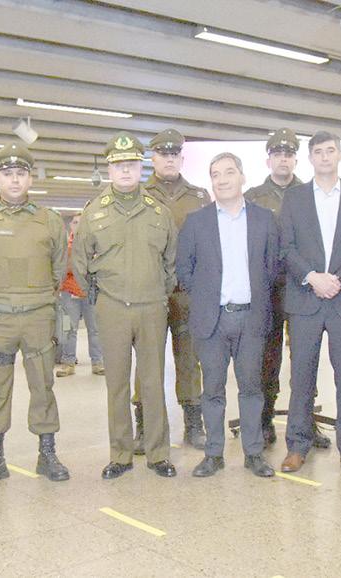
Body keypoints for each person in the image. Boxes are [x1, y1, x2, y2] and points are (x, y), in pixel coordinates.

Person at [0, 143, 70, 488]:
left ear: (30, 178)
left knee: (43, 386)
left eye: (21, 173)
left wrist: (37, 295)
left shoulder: (49, 220)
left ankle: (47, 454)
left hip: (39, 317)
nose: (15, 180)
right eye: (8, 174)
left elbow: (58, 268)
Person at [74, 131, 178, 480]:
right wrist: (102, 298)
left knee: (152, 383)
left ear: (140, 167)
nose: (125, 171)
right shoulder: (93, 213)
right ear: (109, 169)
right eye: (118, 165)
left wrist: (157, 292)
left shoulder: (159, 212)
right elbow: (80, 263)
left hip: (151, 308)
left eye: (131, 164)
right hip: (113, 308)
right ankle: (120, 454)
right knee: (116, 385)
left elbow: (171, 263)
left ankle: (158, 453)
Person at [278, 130, 341, 475]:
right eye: (318, 151)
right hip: (305, 298)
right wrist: (312, 277)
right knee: (301, 376)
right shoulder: (294, 198)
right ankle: (297, 446)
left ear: (340, 155)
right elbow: (286, 246)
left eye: (330, 151)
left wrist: (339, 279)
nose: (324, 157)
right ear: (310, 158)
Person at [178, 152, 277, 478]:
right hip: (212, 321)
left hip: (251, 319)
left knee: (252, 389)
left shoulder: (264, 219)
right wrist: (207, 298)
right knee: (213, 391)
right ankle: (213, 454)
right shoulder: (196, 221)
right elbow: (184, 270)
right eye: (216, 174)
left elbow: (272, 267)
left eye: (229, 172)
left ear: (242, 177)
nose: (222, 180)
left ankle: (254, 453)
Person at [245, 128, 330, 448]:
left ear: (296, 159)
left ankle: (306, 420)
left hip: (303, 285)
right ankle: (264, 419)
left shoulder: (312, 193)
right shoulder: (253, 196)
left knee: (304, 357)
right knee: (267, 356)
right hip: (266, 288)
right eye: (278, 154)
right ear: (268, 159)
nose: (283, 159)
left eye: (289, 154)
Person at [134, 128, 209, 451]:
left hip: (187, 292)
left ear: (181, 158)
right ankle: (144, 428)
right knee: (147, 361)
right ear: (153, 159)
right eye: (163, 154)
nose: (169, 160)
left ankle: (193, 425)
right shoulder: (138, 195)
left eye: (174, 154)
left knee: (190, 360)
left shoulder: (199, 197)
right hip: (149, 292)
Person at [55, 215, 104, 378]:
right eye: (75, 222)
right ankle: (68, 362)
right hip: (68, 293)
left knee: (95, 329)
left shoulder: (95, 244)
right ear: (70, 225)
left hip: (90, 293)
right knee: (68, 329)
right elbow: (62, 268)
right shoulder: (63, 246)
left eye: (82, 222)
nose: (78, 225)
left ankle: (98, 362)